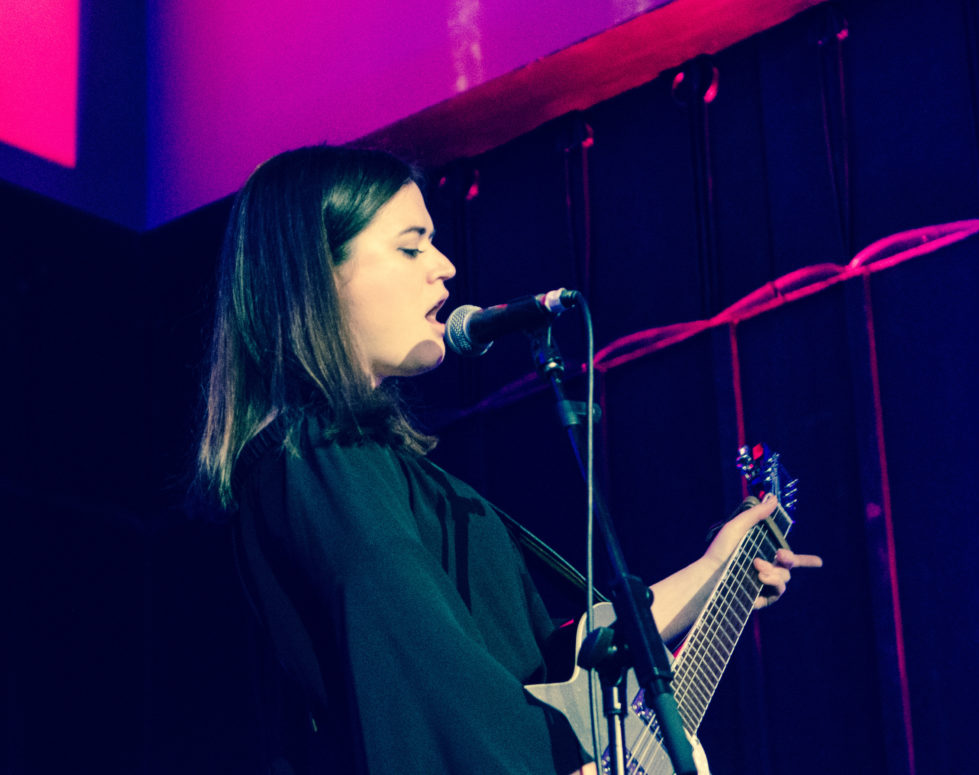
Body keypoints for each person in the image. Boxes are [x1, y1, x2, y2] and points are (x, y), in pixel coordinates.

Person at [197, 145, 821, 774]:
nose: (445, 267)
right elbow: (419, 679)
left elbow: (541, 665)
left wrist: (717, 571)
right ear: (317, 273)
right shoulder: (315, 463)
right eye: (411, 247)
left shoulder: (396, 475)